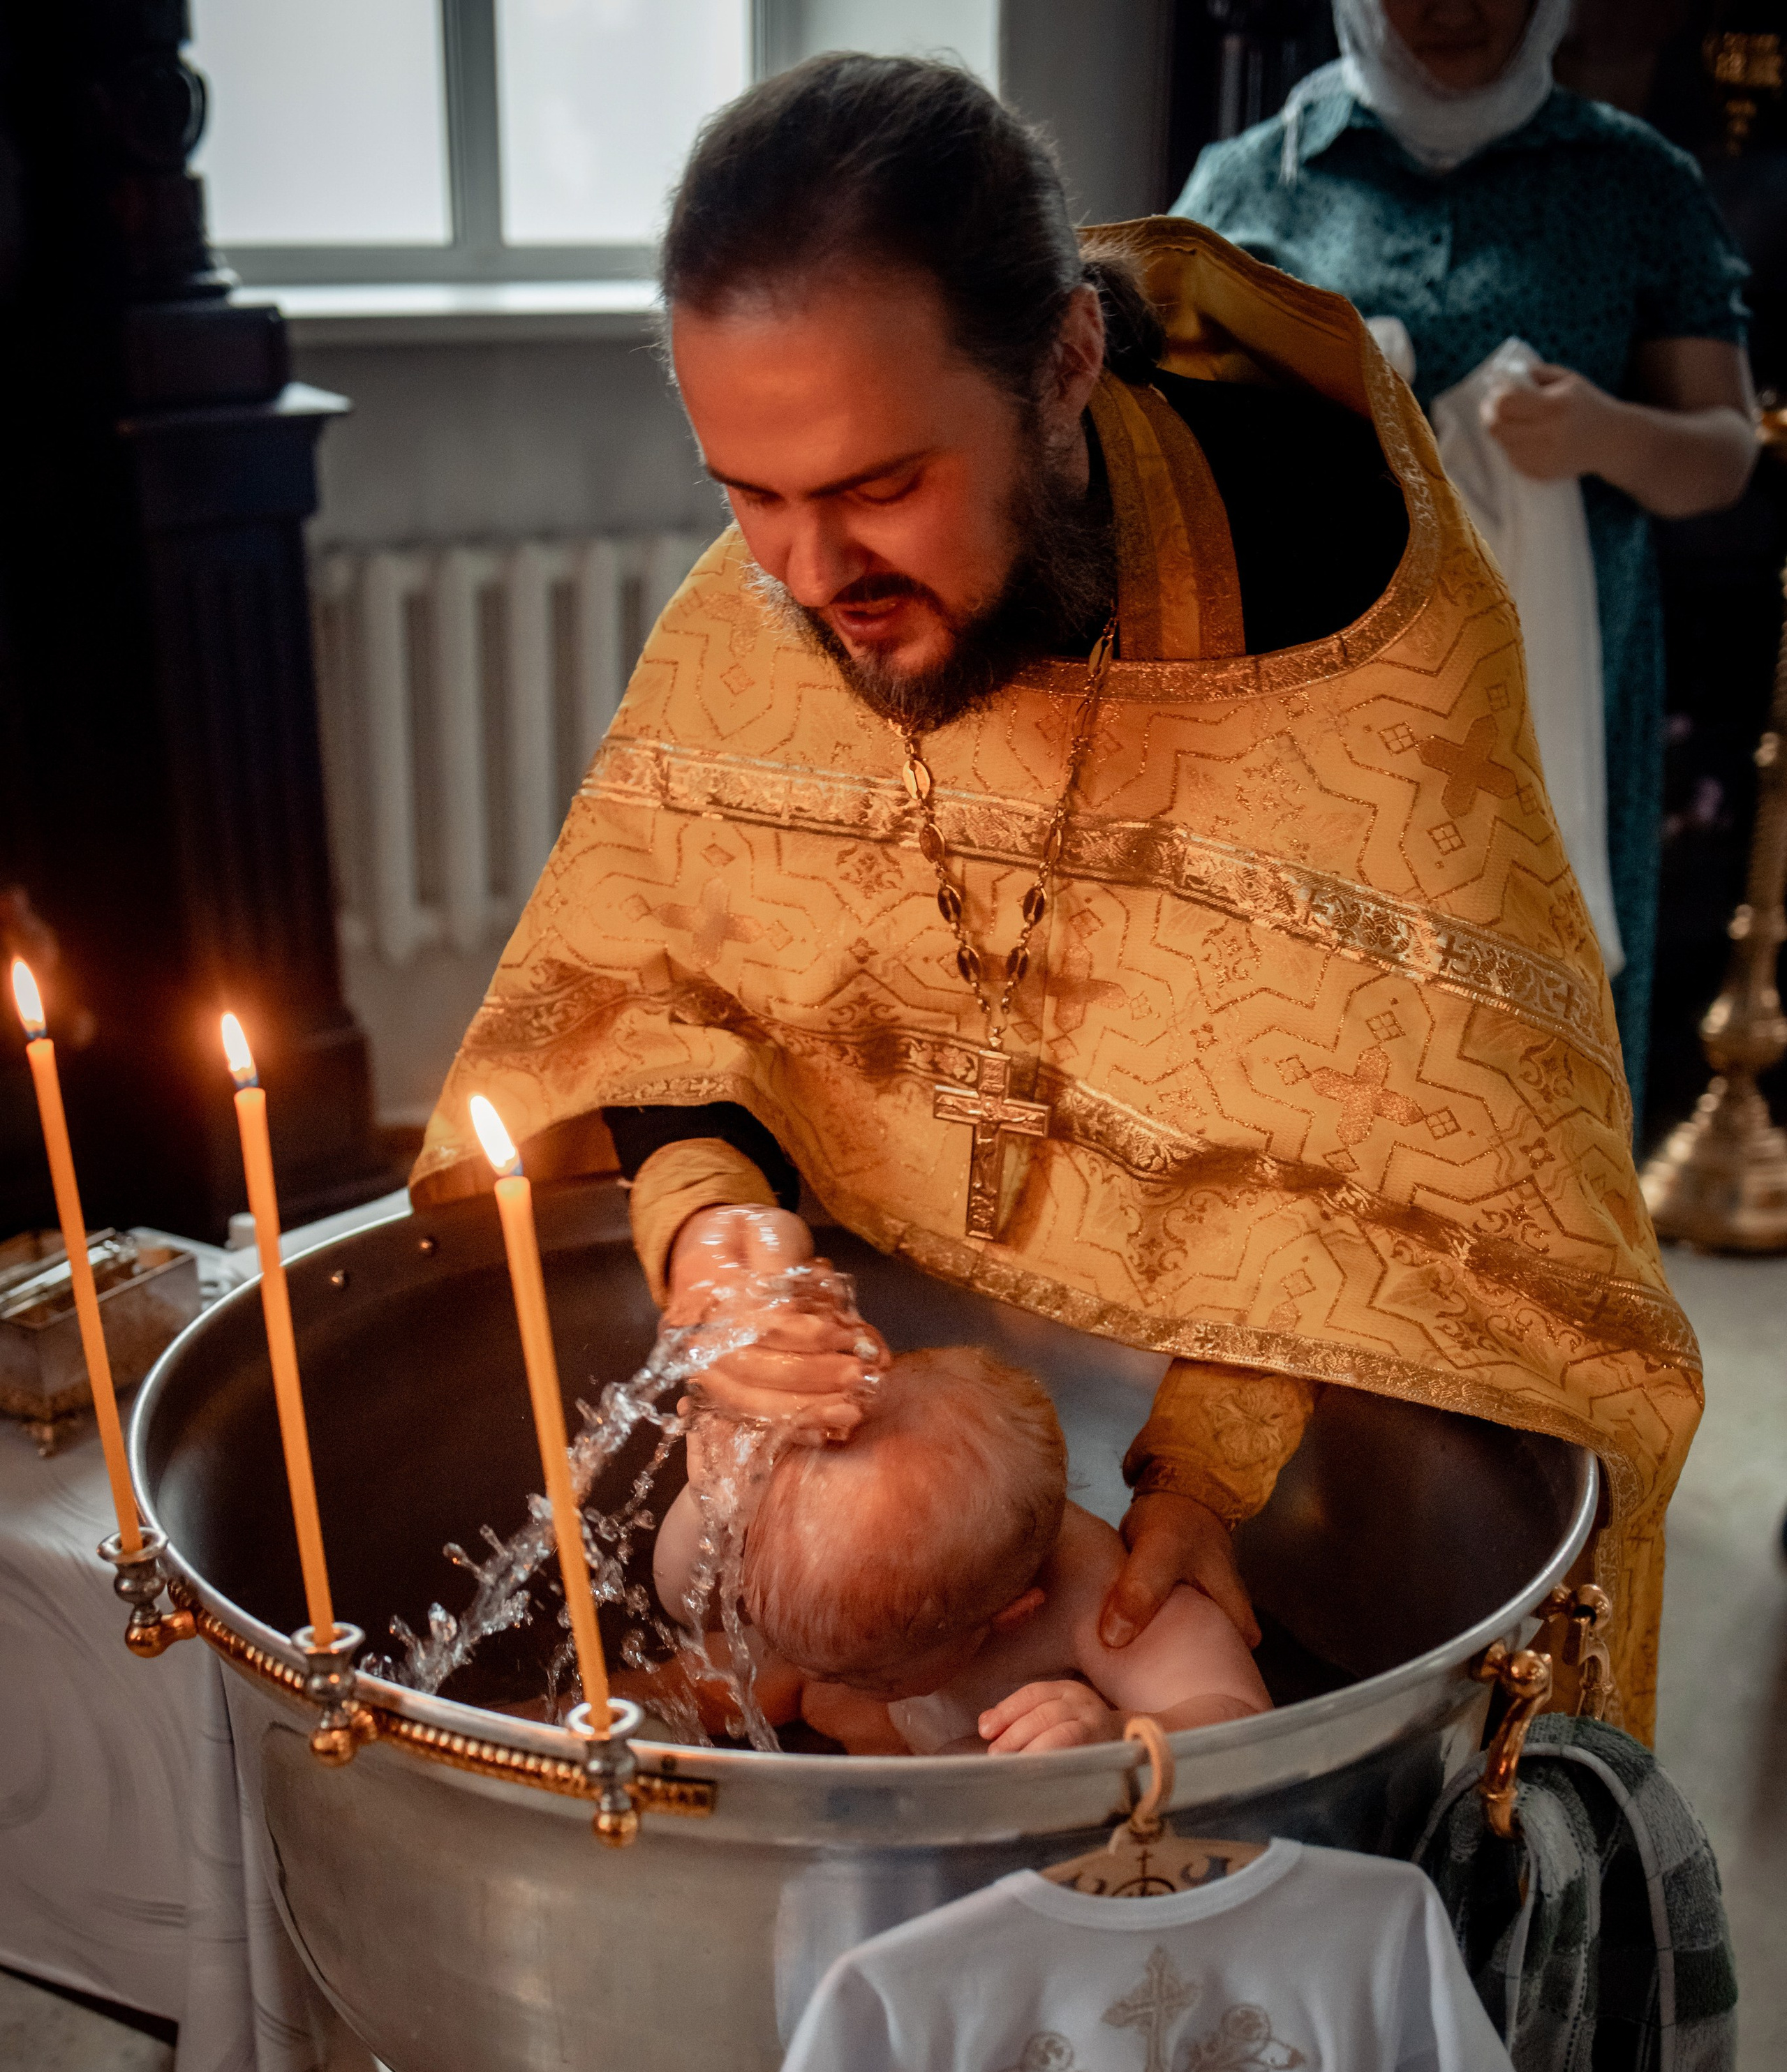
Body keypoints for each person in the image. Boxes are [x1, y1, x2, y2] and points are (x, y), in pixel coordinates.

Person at [411, 52, 1701, 1737]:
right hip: (906, 1434)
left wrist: (1201, 1487)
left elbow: (1411, 1183)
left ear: (1064, 366)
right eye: (749, 498)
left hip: (1250, 1419)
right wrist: (713, 1230)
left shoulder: (1340, 599)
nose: (808, 582)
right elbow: (655, 991)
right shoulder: (774, 596)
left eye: (880, 488)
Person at [1176, 0, 1757, 1128]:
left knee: (1536, 1079)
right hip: (1312, 723)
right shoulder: (1253, 185)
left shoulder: (1636, 185)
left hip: (1554, 723)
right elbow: (1156, 447)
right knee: (1317, 1067)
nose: (1452, 8)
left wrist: (1603, 435)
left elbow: (1724, 454)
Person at [653, 1342, 1270, 1754]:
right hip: (911, 1710)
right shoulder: (811, 1518)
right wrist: (711, 1499)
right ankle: (595, 1717)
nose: (828, 1672)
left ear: (1014, 1613)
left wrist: (1120, 1734)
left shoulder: (1107, 1601)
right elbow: (690, 1604)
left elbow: (1245, 1724)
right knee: (757, 1675)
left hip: (983, 1747)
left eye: (875, 1672)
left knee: (980, 1762)